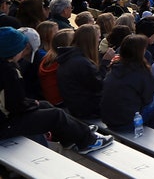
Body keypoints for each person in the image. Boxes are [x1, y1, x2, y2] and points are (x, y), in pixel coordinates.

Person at [0, 26, 114, 154]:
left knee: (45, 105)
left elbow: (12, 100)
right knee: (55, 115)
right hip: (5, 124)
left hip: (6, 118)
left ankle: (70, 137)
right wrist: (31, 104)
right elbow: (16, 105)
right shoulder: (8, 72)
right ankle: (88, 142)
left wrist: (32, 103)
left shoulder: (6, 67)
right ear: (13, 50)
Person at [101, 34, 154, 131]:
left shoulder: (114, 66)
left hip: (108, 119)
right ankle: (152, 136)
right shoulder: (142, 71)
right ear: (141, 51)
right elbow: (148, 99)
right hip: (127, 122)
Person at [57, 23, 111, 119]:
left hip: (76, 106)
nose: (99, 40)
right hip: (87, 110)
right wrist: (105, 63)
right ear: (91, 40)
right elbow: (100, 85)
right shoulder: (81, 62)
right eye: (98, 37)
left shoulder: (70, 57)